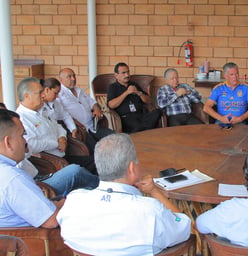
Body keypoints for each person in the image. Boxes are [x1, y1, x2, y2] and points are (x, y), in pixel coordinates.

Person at [57, 133, 191, 255]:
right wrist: (154, 191)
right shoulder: (151, 211)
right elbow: (185, 226)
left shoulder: (73, 202)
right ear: (131, 168)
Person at [16, 77, 97, 174]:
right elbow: (31, 144)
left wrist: (62, 137)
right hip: (51, 163)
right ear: (26, 96)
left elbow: (57, 125)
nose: (43, 95)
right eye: (40, 93)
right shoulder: (21, 119)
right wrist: (57, 143)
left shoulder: (41, 111)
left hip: (63, 156)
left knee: (97, 162)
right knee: (90, 168)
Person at [0, 109, 63, 228]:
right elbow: (52, 221)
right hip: (34, 242)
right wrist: (65, 205)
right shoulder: (12, 178)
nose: (25, 141)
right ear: (8, 142)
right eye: (22, 135)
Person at [57, 68, 114, 150]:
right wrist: (75, 125)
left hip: (93, 126)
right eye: (69, 77)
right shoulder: (59, 95)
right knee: (99, 149)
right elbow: (62, 115)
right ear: (61, 80)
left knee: (116, 138)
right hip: (81, 131)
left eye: (74, 76)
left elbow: (92, 102)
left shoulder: (79, 90)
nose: (73, 79)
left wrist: (96, 109)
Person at [107, 62, 162, 133]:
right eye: (123, 73)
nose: (127, 75)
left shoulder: (134, 84)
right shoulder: (113, 87)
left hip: (141, 115)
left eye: (128, 72)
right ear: (116, 75)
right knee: (138, 125)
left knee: (158, 112)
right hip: (126, 117)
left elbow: (149, 101)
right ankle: (144, 130)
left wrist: (138, 93)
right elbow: (111, 105)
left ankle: (142, 130)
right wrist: (126, 93)